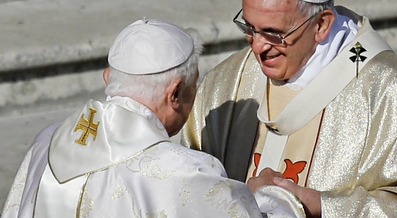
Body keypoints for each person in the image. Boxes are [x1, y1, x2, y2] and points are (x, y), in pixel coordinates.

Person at [182, 0, 397, 217]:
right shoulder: (226, 83)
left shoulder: (395, 92)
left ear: (322, 25)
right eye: (249, 28)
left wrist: (323, 206)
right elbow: (186, 185)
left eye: (273, 33)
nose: (258, 47)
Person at [2, 19, 305, 218]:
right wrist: (268, 194)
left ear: (108, 77)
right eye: (193, 87)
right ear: (175, 94)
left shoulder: (48, 141)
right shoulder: (177, 171)